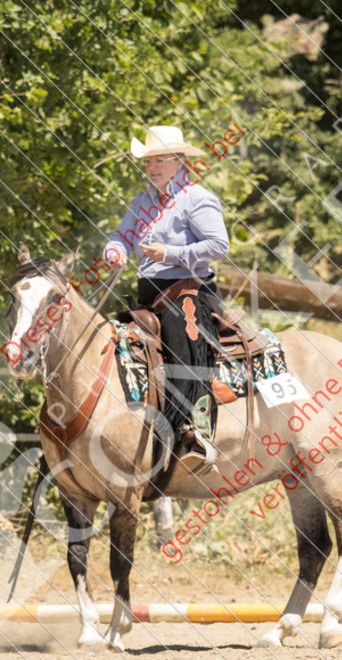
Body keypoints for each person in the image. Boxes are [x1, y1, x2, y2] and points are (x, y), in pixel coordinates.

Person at [103, 125, 229, 466]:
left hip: (187, 291)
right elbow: (121, 234)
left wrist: (169, 254)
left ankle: (193, 431)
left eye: (160, 159)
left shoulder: (197, 198)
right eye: (148, 161)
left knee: (181, 341)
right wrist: (114, 250)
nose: (152, 167)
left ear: (179, 161)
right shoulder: (141, 201)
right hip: (147, 296)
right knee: (111, 344)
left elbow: (220, 245)